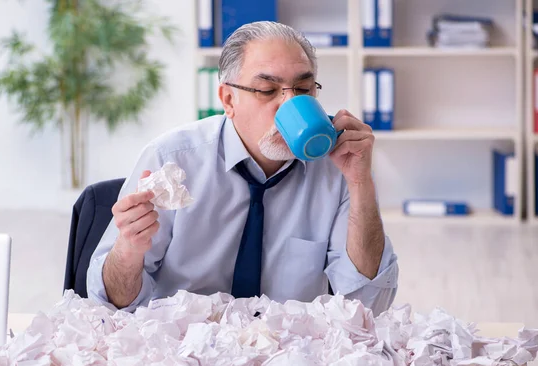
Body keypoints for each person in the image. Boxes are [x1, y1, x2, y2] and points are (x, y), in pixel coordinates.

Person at [87, 21, 399, 316]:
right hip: (182, 352)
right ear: (228, 99)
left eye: (303, 90)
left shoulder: (337, 167)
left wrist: (361, 182)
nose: (287, 103)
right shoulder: (171, 159)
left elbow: (369, 304)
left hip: (286, 356)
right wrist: (129, 249)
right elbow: (112, 304)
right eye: (267, 90)